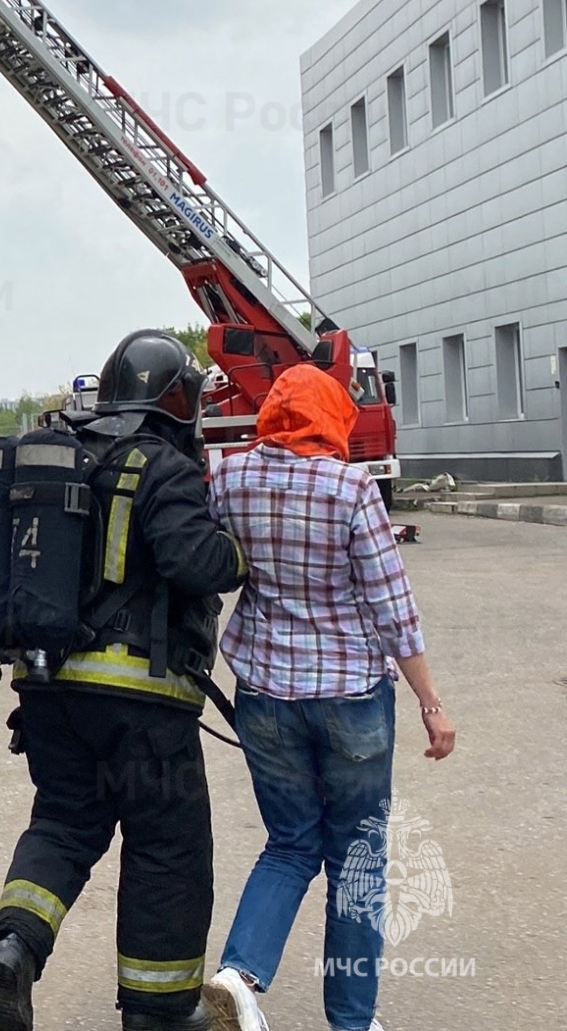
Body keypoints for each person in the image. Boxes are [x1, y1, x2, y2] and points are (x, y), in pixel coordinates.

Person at [0, 330, 248, 1031]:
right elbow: (195, 561)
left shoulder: (66, 454)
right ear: (174, 398)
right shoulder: (161, 463)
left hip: (45, 688)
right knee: (169, 847)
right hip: (141, 703)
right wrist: (238, 553)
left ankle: (15, 944)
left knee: (65, 823)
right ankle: (156, 1012)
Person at [199, 365, 455, 1031]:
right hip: (351, 698)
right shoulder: (350, 488)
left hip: (264, 694)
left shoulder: (229, 477)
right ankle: (351, 1020)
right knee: (357, 856)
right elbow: (392, 607)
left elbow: (204, 565)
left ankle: (239, 973)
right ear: (332, 416)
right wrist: (430, 702)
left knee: (289, 842)